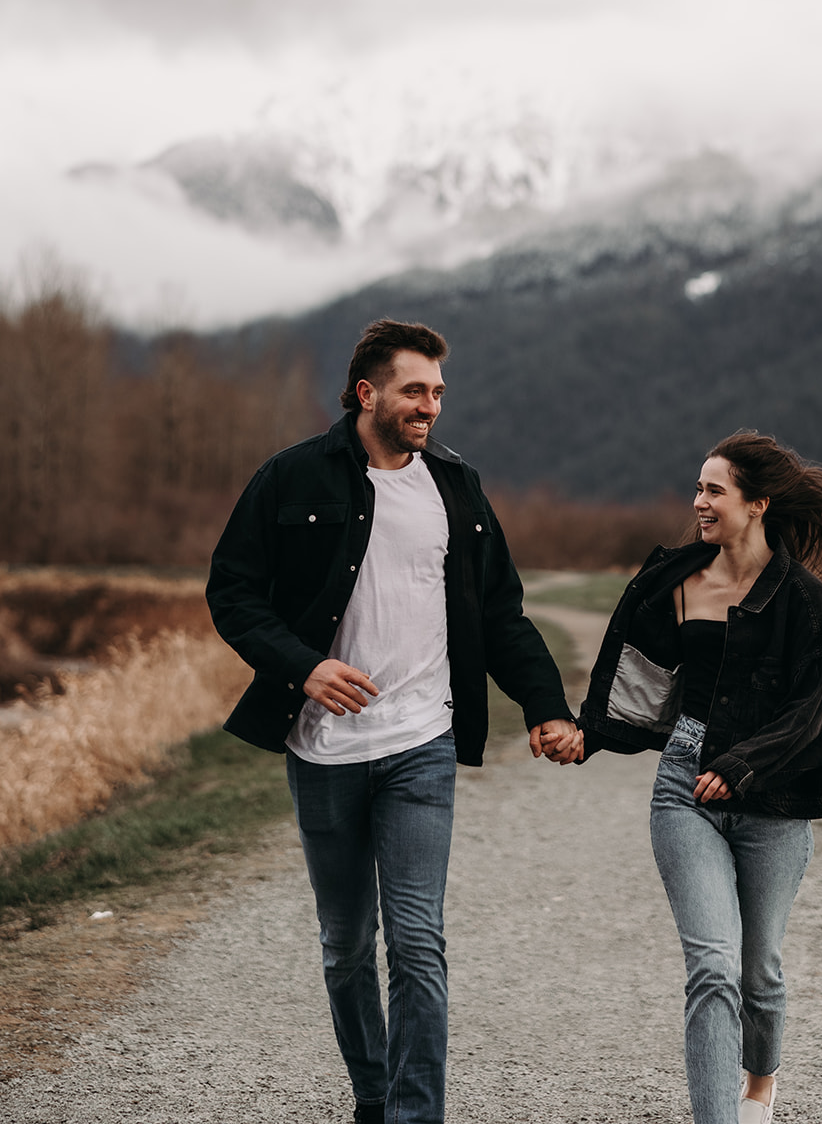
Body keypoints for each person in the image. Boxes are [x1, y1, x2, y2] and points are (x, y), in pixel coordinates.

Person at [206, 318, 581, 1124]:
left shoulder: (457, 488)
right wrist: (302, 667)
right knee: (346, 947)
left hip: (422, 741)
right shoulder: (291, 478)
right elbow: (232, 593)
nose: (430, 407)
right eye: (415, 390)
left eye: (439, 393)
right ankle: (372, 1097)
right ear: (367, 391)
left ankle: (416, 1115)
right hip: (324, 749)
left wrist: (545, 708)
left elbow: (503, 615)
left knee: (416, 942)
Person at [577, 430, 822, 1124]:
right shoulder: (674, 580)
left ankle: (759, 1084)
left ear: (756, 503)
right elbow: (640, 684)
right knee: (712, 969)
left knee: (757, 973)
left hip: (773, 797)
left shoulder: (804, 602)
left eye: (712, 490)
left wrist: (742, 765)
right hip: (683, 788)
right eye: (697, 488)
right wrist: (585, 736)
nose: (697, 501)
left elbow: (813, 709)